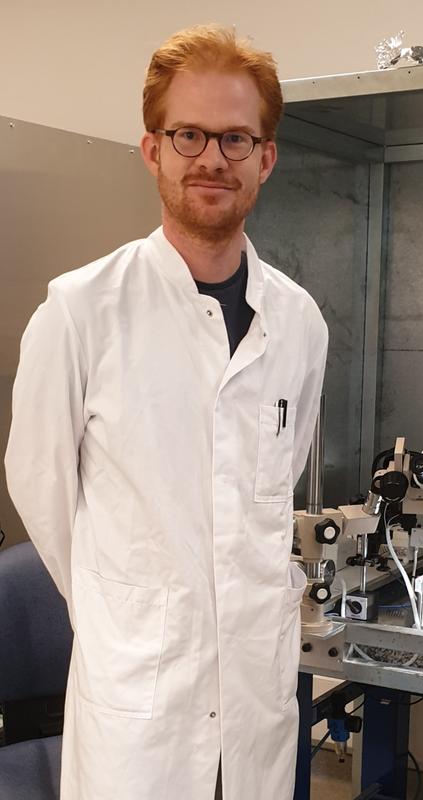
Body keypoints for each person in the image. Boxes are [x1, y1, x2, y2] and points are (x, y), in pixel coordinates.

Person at [4, 24, 327, 800]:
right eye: (188, 134)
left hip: (254, 700)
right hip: (139, 711)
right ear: (152, 150)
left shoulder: (300, 322)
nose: (211, 158)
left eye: (236, 138)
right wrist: (122, 607)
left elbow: (276, 484)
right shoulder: (80, 310)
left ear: (265, 158)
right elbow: (39, 486)